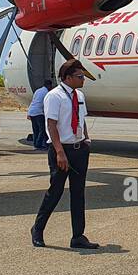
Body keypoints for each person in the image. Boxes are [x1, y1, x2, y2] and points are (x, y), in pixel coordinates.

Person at [31, 60, 99, 249]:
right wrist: (60, 152)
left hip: (79, 150)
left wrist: (86, 140)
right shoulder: (54, 97)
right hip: (62, 150)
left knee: (78, 194)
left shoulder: (80, 95)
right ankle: (37, 229)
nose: (83, 79)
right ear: (67, 78)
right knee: (56, 192)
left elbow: (81, 119)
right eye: (79, 77)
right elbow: (51, 125)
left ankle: (78, 235)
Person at [27, 79, 50, 149]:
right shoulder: (46, 92)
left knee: (35, 129)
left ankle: (35, 144)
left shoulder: (38, 90)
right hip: (38, 113)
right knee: (42, 130)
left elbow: (33, 101)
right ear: (49, 86)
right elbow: (46, 104)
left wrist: (28, 113)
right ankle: (39, 144)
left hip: (32, 112)